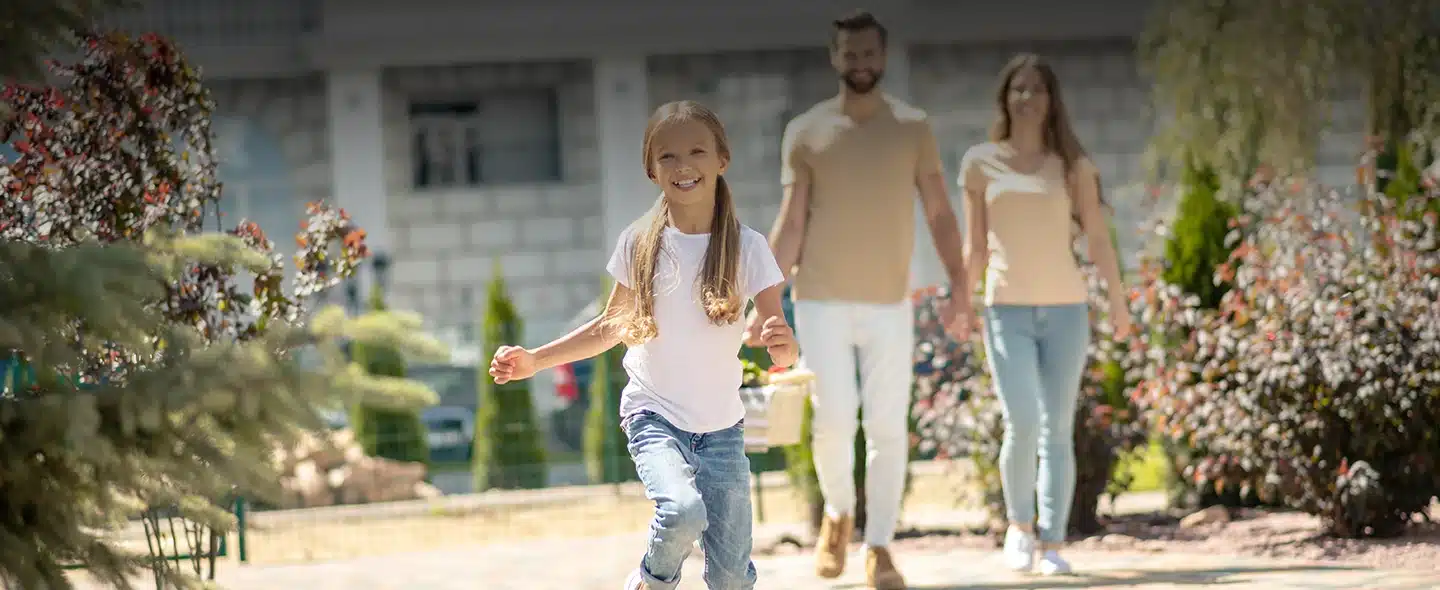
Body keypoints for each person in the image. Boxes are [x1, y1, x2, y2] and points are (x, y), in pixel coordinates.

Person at [489, 100, 796, 590]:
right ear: (651, 171)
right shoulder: (639, 244)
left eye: (697, 151)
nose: (683, 165)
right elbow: (608, 326)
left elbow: (780, 342)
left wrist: (783, 347)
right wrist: (535, 360)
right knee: (682, 510)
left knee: (734, 577)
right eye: (668, 156)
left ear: (722, 159)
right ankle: (651, 581)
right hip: (655, 417)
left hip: (722, 430)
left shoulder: (749, 247)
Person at [744, 10, 975, 590]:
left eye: (870, 53)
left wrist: (962, 287)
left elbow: (941, 212)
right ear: (834, 57)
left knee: (888, 428)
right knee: (834, 423)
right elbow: (790, 223)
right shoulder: (807, 131)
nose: (861, 64)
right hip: (820, 301)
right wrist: (766, 303)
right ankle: (839, 515)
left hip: (890, 303)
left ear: (885, 56)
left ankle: (880, 547)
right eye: (850, 54)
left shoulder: (912, 127)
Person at [957, 53, 1132, 575]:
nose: (1028, 98)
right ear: (1005, 99)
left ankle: (1053, 543)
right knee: (1023, 421)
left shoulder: (1073, 166)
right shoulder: (980, 162)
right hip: (1005, 309)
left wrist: (1119, 304)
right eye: (1019, 89)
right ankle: (1020, 527)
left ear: (1052, 100)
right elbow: (974, 248)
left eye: (1037, 89)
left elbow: (1098, 239)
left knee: (1057, 428)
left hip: (1066, 311)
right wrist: (963, 303)